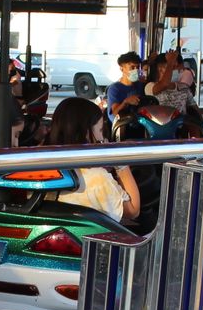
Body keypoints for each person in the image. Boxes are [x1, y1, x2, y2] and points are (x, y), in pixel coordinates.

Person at [48, 96, 140, 224]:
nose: (102, 137)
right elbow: (133, 210)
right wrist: (121, 165)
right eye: (101, 130)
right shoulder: (97, 179)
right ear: (86, 133)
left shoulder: (39, 167)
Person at [146, 47, 195, 114]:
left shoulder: (183, 87)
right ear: (160, 69)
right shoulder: (150, 86)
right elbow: (164, 84)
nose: (177, 71)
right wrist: (170, 62)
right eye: (172, 67)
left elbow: (194, 107)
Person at [105, 53, 145, 118]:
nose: (135, 70)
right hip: (124, 125)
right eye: (132, 67)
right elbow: (114, 115)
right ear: (122, 69)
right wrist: (125, 102)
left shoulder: (139, 85)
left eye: (137, 67)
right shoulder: (114, 89)